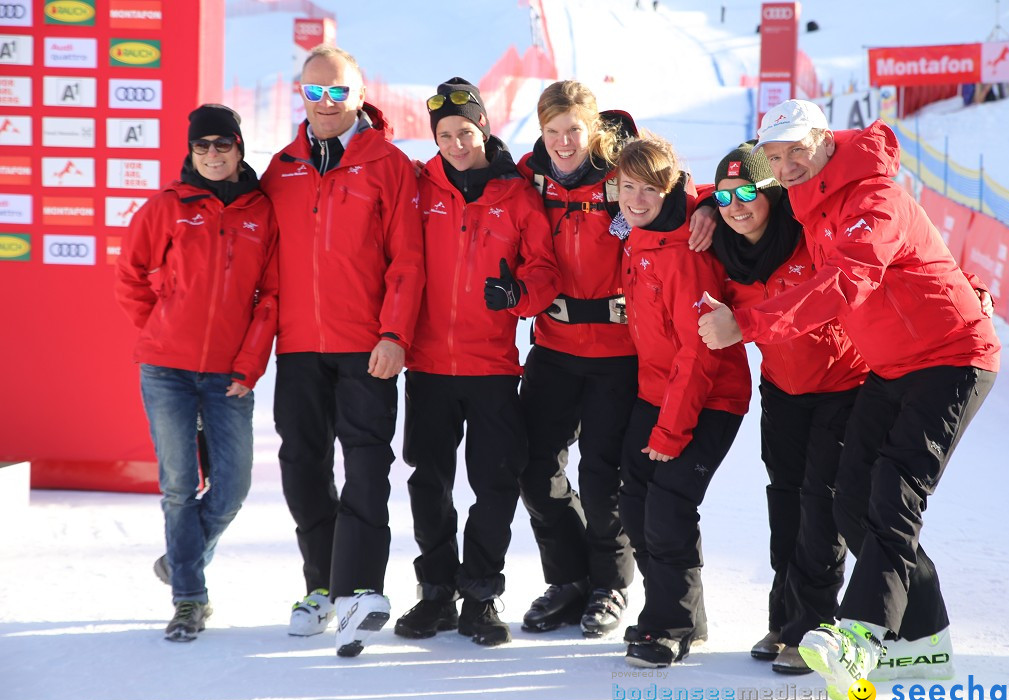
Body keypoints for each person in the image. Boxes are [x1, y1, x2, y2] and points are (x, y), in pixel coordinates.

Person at [699, 100, 1000, 700]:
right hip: (890, 366)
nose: (784, 166)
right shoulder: (811, 196)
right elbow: (737, 190)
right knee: (851, 501)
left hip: (951, 358)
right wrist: (708, 201)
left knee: (893, 495)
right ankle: (924, 642)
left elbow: (847, 280)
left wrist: (748, 325)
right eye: (775, 156)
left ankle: (860, 636)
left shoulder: (872, 198)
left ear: (823, 141)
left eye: (794, 152)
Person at [516, 81, 716, 639]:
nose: (562, 142)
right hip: (554, 347)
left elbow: (675, 189)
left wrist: (709, 213)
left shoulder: (620, 175)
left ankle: (609, 583)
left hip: (617, 354)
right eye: (552, 131)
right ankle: (568, 578)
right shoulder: (531, 178)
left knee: (603, 478)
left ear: (594, 129)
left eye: (573, 130)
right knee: (533, 470)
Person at [259, 44, 424, 657]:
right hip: (299, 345)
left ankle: (359, 590)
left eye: (337, 92)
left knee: (364, 468)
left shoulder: (389, 165)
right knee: (302, 467)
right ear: (301, 95)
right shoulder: (281, 168)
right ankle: (321, 587)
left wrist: (394, 334)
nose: (325, 103)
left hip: (365, 346)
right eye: (314, 92)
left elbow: (408, 259)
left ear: (359, 94)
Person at [392, 78, 559, 647]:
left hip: (491, 366)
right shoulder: (419, 186)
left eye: (466, 131)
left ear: (484, 128)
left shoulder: (518, 196)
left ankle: (481, 594)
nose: (457, 143)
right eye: (445, 134)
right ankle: (436, 592)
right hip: (429, 364)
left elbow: (544, 271)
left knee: (495, 483)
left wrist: (519, 296)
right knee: (428, 481)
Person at [116, 104, 279, 642]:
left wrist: (249, 365)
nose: (212, 155)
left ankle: (179, 559)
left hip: (229, 374)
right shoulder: (168, 205)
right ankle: (189, 598)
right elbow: (130, 272)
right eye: (201, 146)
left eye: (222, 145)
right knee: (180, 486)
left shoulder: (262, 211)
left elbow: (270, 298)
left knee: (232, 487)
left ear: (238, 149)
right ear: (191, 151)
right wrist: (159, 328)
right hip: (166, 370)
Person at [706, 141, 867, 674]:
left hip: (843, 384)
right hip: (782, 389)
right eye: (726, 196)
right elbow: (678, 200)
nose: (737, 205)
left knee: (821, 506)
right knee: (785, 502)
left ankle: (815, 629)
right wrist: (706, 202)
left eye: (749, 191)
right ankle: (785, 618)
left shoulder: (807, 234)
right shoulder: (723, 250)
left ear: (773, 194)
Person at [614, 135, 751, 668]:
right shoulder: (635, 233)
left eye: (651, 189)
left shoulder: (687, 254)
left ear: (672, 188)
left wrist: (670, 432)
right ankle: (678, 610)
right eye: (628, 187)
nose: (637, 200)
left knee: (667, 507)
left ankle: (669, 625)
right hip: (654, 391)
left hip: (708, 397)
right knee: (634, 503)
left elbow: (699, 357)